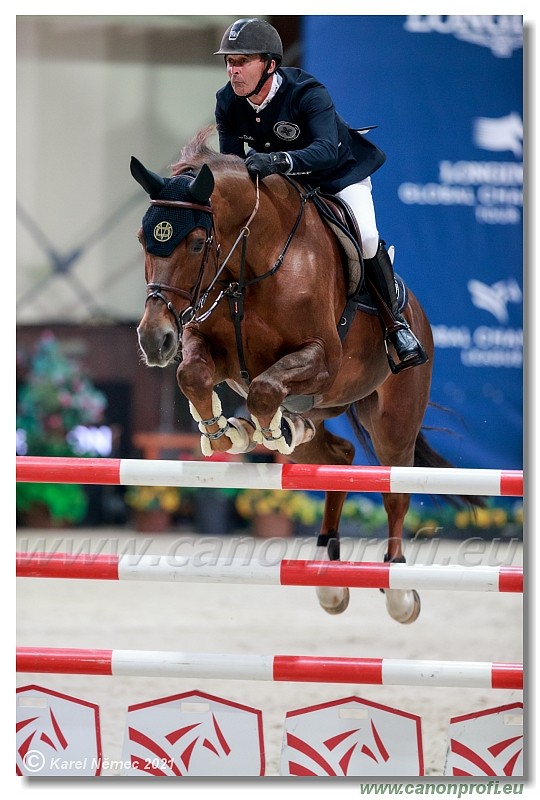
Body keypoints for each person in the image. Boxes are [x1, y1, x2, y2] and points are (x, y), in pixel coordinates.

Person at [214, 17, 427, 371]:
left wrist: (278, 160)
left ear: (269, 64)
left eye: (242, 61)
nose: (233, 71)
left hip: (338, 175)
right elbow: (233, 164)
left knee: (369, 237)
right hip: (283, 183)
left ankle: (395, 326)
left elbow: (327, 150)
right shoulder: (227, 101)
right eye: (229, 62)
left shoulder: (306, 93)